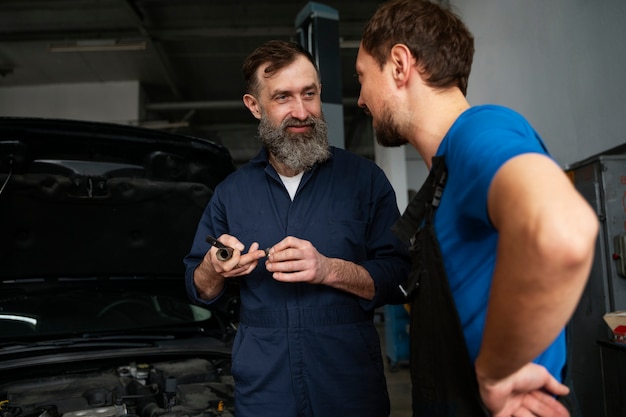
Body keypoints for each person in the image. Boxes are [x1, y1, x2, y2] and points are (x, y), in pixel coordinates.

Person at [356, 1, 599, 416]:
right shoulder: (444, 172)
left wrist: (494, 372)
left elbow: (564, 229)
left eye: (363, 77)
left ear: (399, 64)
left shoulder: (477, 131)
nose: (361, 99)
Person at [183, 39, 411, 417]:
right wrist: (214, 267)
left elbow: (401, 276)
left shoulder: (364, 181)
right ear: (254, 106)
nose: (302, 111)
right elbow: (197, 286)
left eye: (309, 94)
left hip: (348, 387)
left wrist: (329, 269)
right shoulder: (231, 194)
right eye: (283, 98)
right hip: (264, 392)